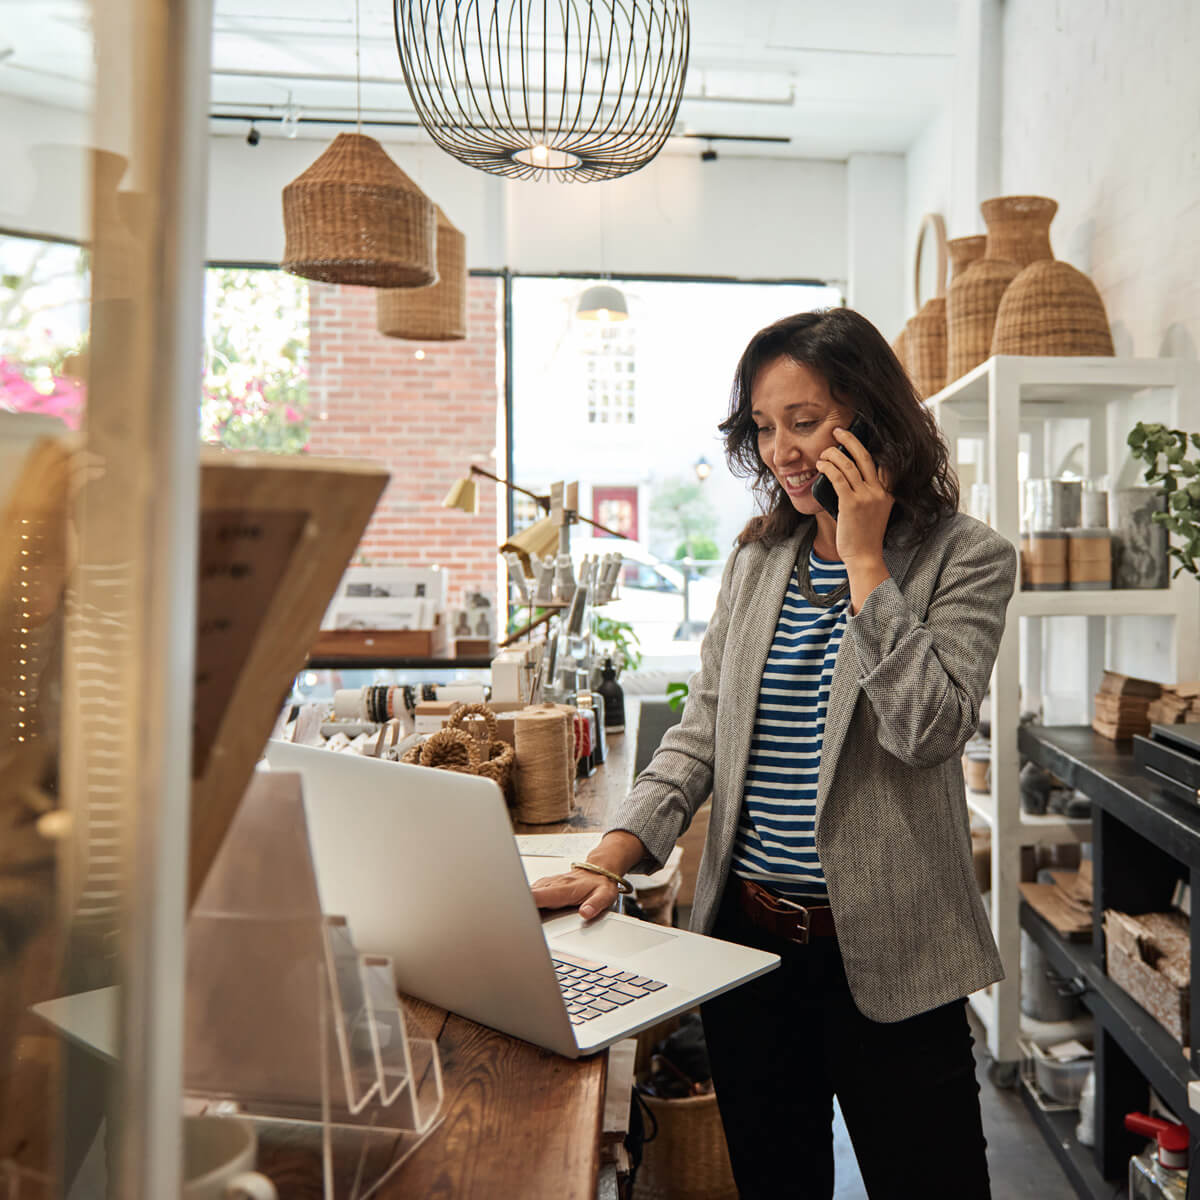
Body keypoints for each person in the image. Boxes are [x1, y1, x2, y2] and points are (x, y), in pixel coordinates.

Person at [532, 308, 1016, 1199]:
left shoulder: (966, 557)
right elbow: (701, 731)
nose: (782, 450)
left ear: (872, 419)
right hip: (749, 956)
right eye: (764, 426)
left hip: (898, 958)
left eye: (804, 421)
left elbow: (929, 730)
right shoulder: (758, 563)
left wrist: (866, 566)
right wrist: (615, 851)